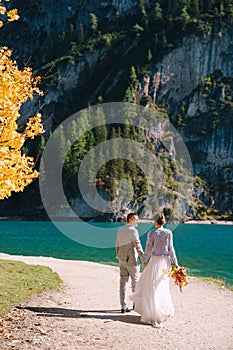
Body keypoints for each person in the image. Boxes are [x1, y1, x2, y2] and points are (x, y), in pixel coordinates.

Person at [130, 213, 178, 328]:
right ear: (164, 222)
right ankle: (160, 312)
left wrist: (143, 259)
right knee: (162, 285)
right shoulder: (168, 233)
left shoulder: (151, 233)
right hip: (165, 262)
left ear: (155, 222)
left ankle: (152, 313)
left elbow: (148, 249)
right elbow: (171, 250)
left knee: (151, 286)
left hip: (155, 261)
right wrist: (176, 264)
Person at [116, 212, 144, 313]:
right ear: (130, 220)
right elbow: (138, 245)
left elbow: (117, 244)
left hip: (121, 259)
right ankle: (135, 305)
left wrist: (118, 256)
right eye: (136, 220)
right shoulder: (133, 231)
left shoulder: (120, 230)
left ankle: (123, 306)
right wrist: (143, 257)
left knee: (122, 283)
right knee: (135, 283)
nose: (137, 222)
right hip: (132, 260)